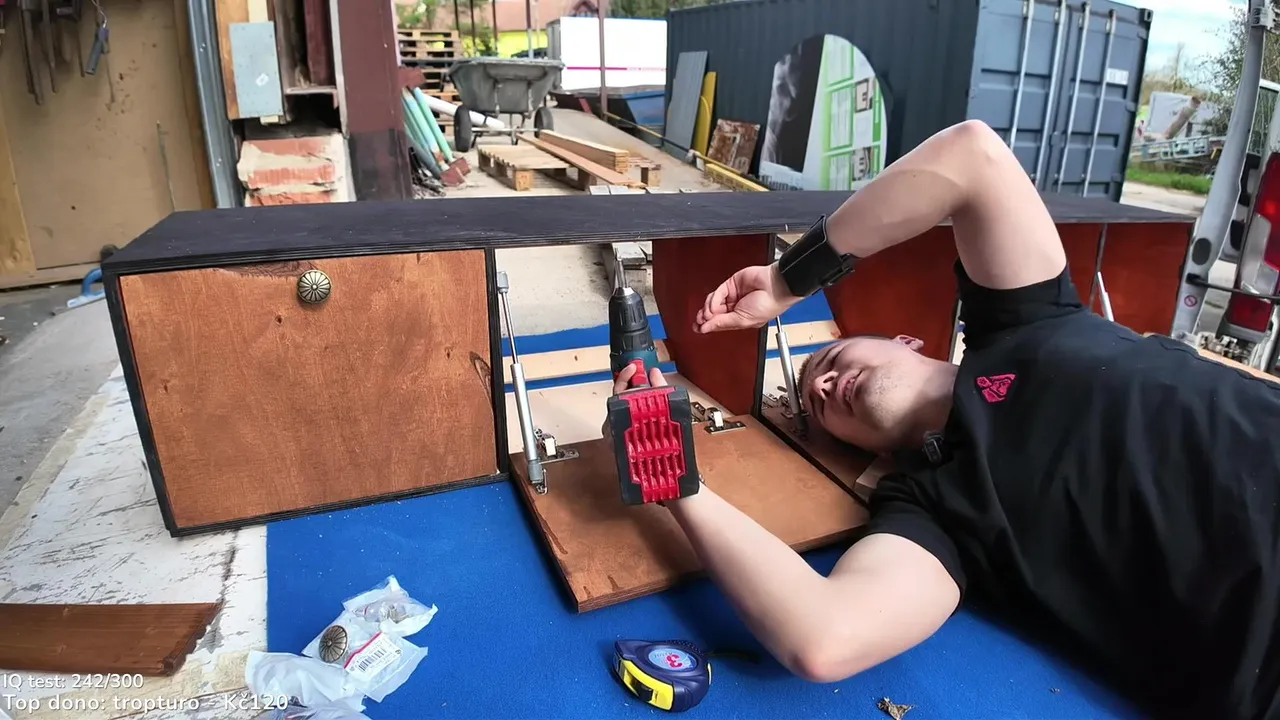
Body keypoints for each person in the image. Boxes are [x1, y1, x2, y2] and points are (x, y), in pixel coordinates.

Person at [610, 119, 1280, 719]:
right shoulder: (939, 511)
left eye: (832, 359)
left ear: (906, 340)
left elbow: (971, 156)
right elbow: (825, 637)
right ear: (855, 449)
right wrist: (672, 476)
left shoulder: (1030, 321)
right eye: (818, 403)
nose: (829, 383)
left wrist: (789, 280)